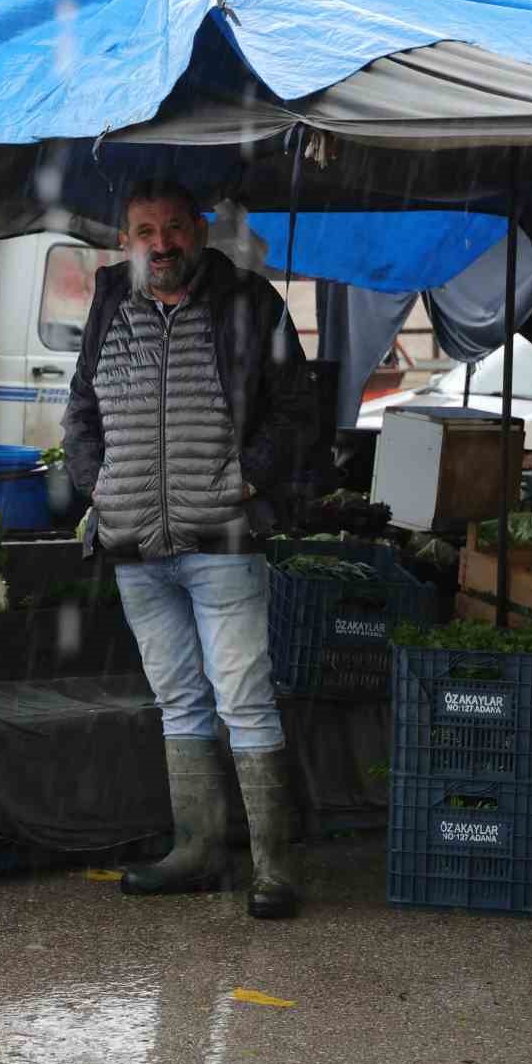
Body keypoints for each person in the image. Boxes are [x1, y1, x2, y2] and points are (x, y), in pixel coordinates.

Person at [61, 179, 318, 920]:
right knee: (179, 698)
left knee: (243, 697)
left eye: (175, 228)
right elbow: (82, 409)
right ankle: (198, 851)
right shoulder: (111, 301)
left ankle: (272, 869)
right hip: (135, 541)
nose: (162, 244)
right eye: (146, 231)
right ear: (126, 239)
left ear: (200, 233)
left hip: (222, 541)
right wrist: (97, 485)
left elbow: (297, 410)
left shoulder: (247, 302)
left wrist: (248, 476)